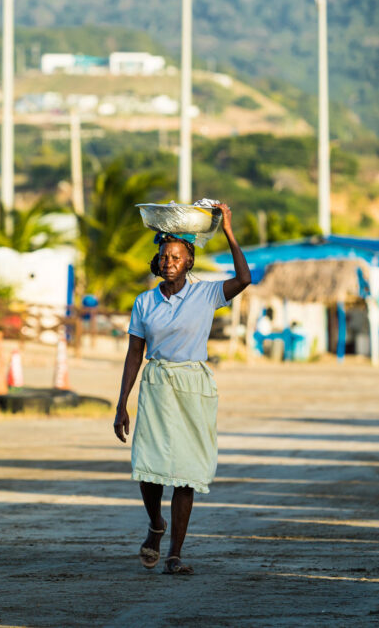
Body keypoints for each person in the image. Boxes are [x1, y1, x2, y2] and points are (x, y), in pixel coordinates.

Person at [113, 202, 251, 575]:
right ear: (157, 262)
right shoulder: (144, 302)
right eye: (164, 256)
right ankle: (156, 524)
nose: (169, 262)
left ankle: (175, 554)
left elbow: (244, 278)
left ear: (189, 261)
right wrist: (122, 404)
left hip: (193, 384)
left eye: (177, 257)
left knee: (186, 472)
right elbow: (134, 354)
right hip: (157, 384)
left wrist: (228, 230)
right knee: (148, 468)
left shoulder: (206, 294)